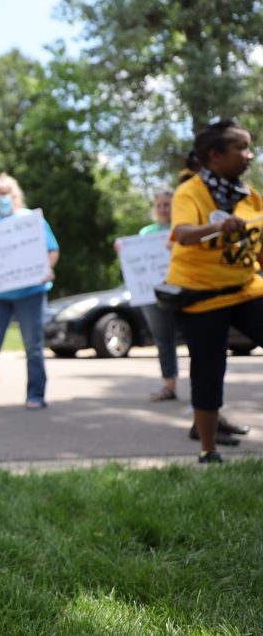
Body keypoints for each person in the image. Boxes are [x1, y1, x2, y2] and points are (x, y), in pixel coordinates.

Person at [166, 119, 262, 464]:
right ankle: (208, 451)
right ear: (214, 155)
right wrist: (218, 225)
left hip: (246, 288)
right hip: (201, 294)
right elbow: (184, 233)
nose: (249, 155)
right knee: (208, 370)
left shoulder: (250, 197)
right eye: (241, 148)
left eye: (249, 147)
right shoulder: (190, 191)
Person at [0, 173, 59, 410]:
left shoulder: (32, 220)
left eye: (5, 193)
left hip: (31, 293)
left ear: (15, 195)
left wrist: (48, 268)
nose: (1, 198)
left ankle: (36, 395)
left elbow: (52, 249)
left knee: (33, 347)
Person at [133, 189, 181, 402]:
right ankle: (168, 386)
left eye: (167, 205)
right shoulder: (146, 233)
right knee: (163, 340)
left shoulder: (182, 228)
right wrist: (123, 250)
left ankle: (203, 388)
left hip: (182, 290)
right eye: (159, 205)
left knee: (197, 338)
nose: (162, 209)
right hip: (154, 294)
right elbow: (134, 260)